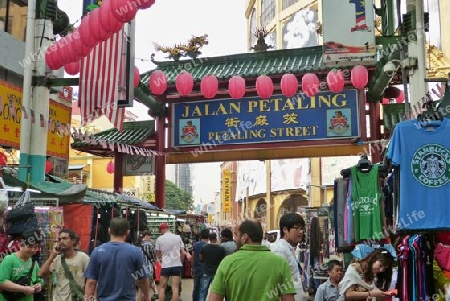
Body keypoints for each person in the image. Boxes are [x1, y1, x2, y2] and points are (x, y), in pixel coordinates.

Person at [208, 219, 296, 301]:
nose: (235, 239)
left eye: (237, 235)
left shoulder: (227, 263)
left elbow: (213, 299)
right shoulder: (280, 263)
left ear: (244, 237)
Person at [84, 217, 151, 301]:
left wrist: (88, 299)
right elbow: (142, 280)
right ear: (128, 232)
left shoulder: (97, 252)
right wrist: (147, 296)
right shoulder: (135, 252)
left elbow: (91, 283)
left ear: (109, 231)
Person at [39, 228, 90, 301]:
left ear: (73, 241)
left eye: (64, 238)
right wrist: (53, 255)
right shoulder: (57, 259)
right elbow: (41, 274)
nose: (61, 241)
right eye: (59, 239)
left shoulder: (83, 257)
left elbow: (91, 280)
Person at [0, 230, 44, 300]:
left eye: (36, 247)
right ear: (21, 244)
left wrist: (39, 285)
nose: (33, 250)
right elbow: (2, 282)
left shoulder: (34, 263)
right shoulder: (9, 260)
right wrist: (23, 289)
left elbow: (39, 280)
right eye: (30, 246)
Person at [271, 213, 306, 301]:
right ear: (285, 229)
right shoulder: (280, 250)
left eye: (302, 228)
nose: (301, 231)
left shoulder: (288, 248)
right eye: (296, 228)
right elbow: (277, 281)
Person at [155, 222, 192, 301]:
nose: (160, 232)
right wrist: (182, 259)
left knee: (162, 288)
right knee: (175, 288)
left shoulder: (159, 239)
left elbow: (158, 255)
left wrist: (161, 260)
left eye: (160, 231)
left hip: (165, 266)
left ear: (163, 229)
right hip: (176, 265)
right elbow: (182, 251)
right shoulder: (178, 237)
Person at [198, 232, 225, 301]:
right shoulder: (221, 248)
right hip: (217, 272)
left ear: (209, 239)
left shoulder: (204, 247)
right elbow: (223, 260)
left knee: (203, 290)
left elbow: (200, 258)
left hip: (206, 271)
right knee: (216, 291)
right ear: (216, 238)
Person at [137, 230, 158, 301]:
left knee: (140, 290)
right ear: (146, 236)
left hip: (139, 270)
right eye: (150, 236)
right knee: (146, 292)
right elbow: (154, 258)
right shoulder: (150, 245)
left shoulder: (138, 245)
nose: (150, 238)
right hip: (148, 269)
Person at [192, 229, 210, 301]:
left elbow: (193, 258)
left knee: (196, 287)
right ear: (208, 236)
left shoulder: (195, 245)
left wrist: (192, 268)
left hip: (197, 269)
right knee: (203, 289)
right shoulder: (209, 246)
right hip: (206, 270)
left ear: (200, 236)